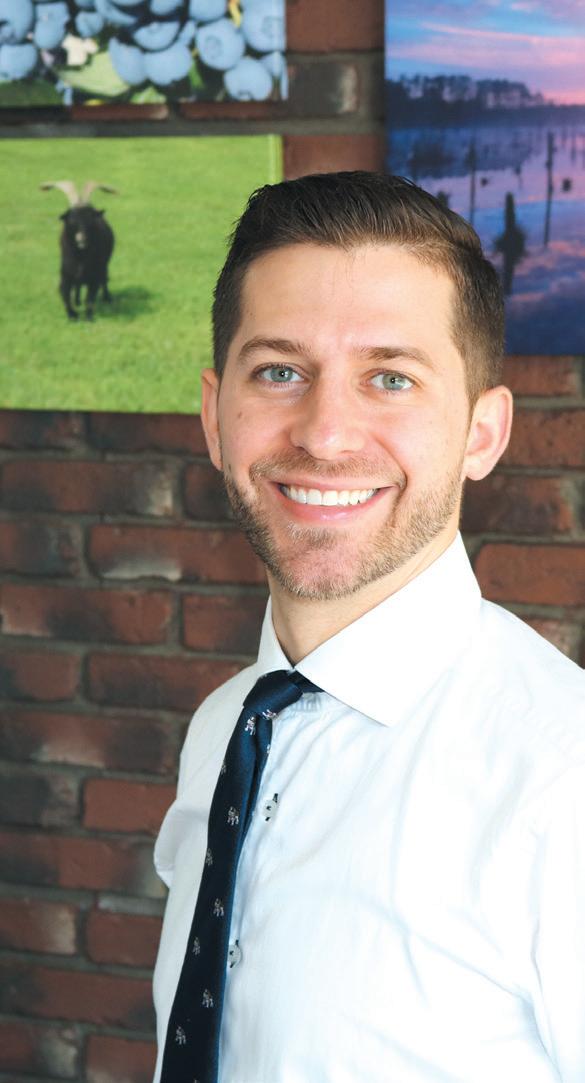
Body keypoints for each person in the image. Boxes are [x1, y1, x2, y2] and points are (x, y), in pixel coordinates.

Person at [152, 172, 585, 1083]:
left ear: (481, 433)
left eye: (390, 378)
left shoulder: (562, 782)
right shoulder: (223, 729)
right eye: (279, 371)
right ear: (214, 416)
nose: (325, 433)